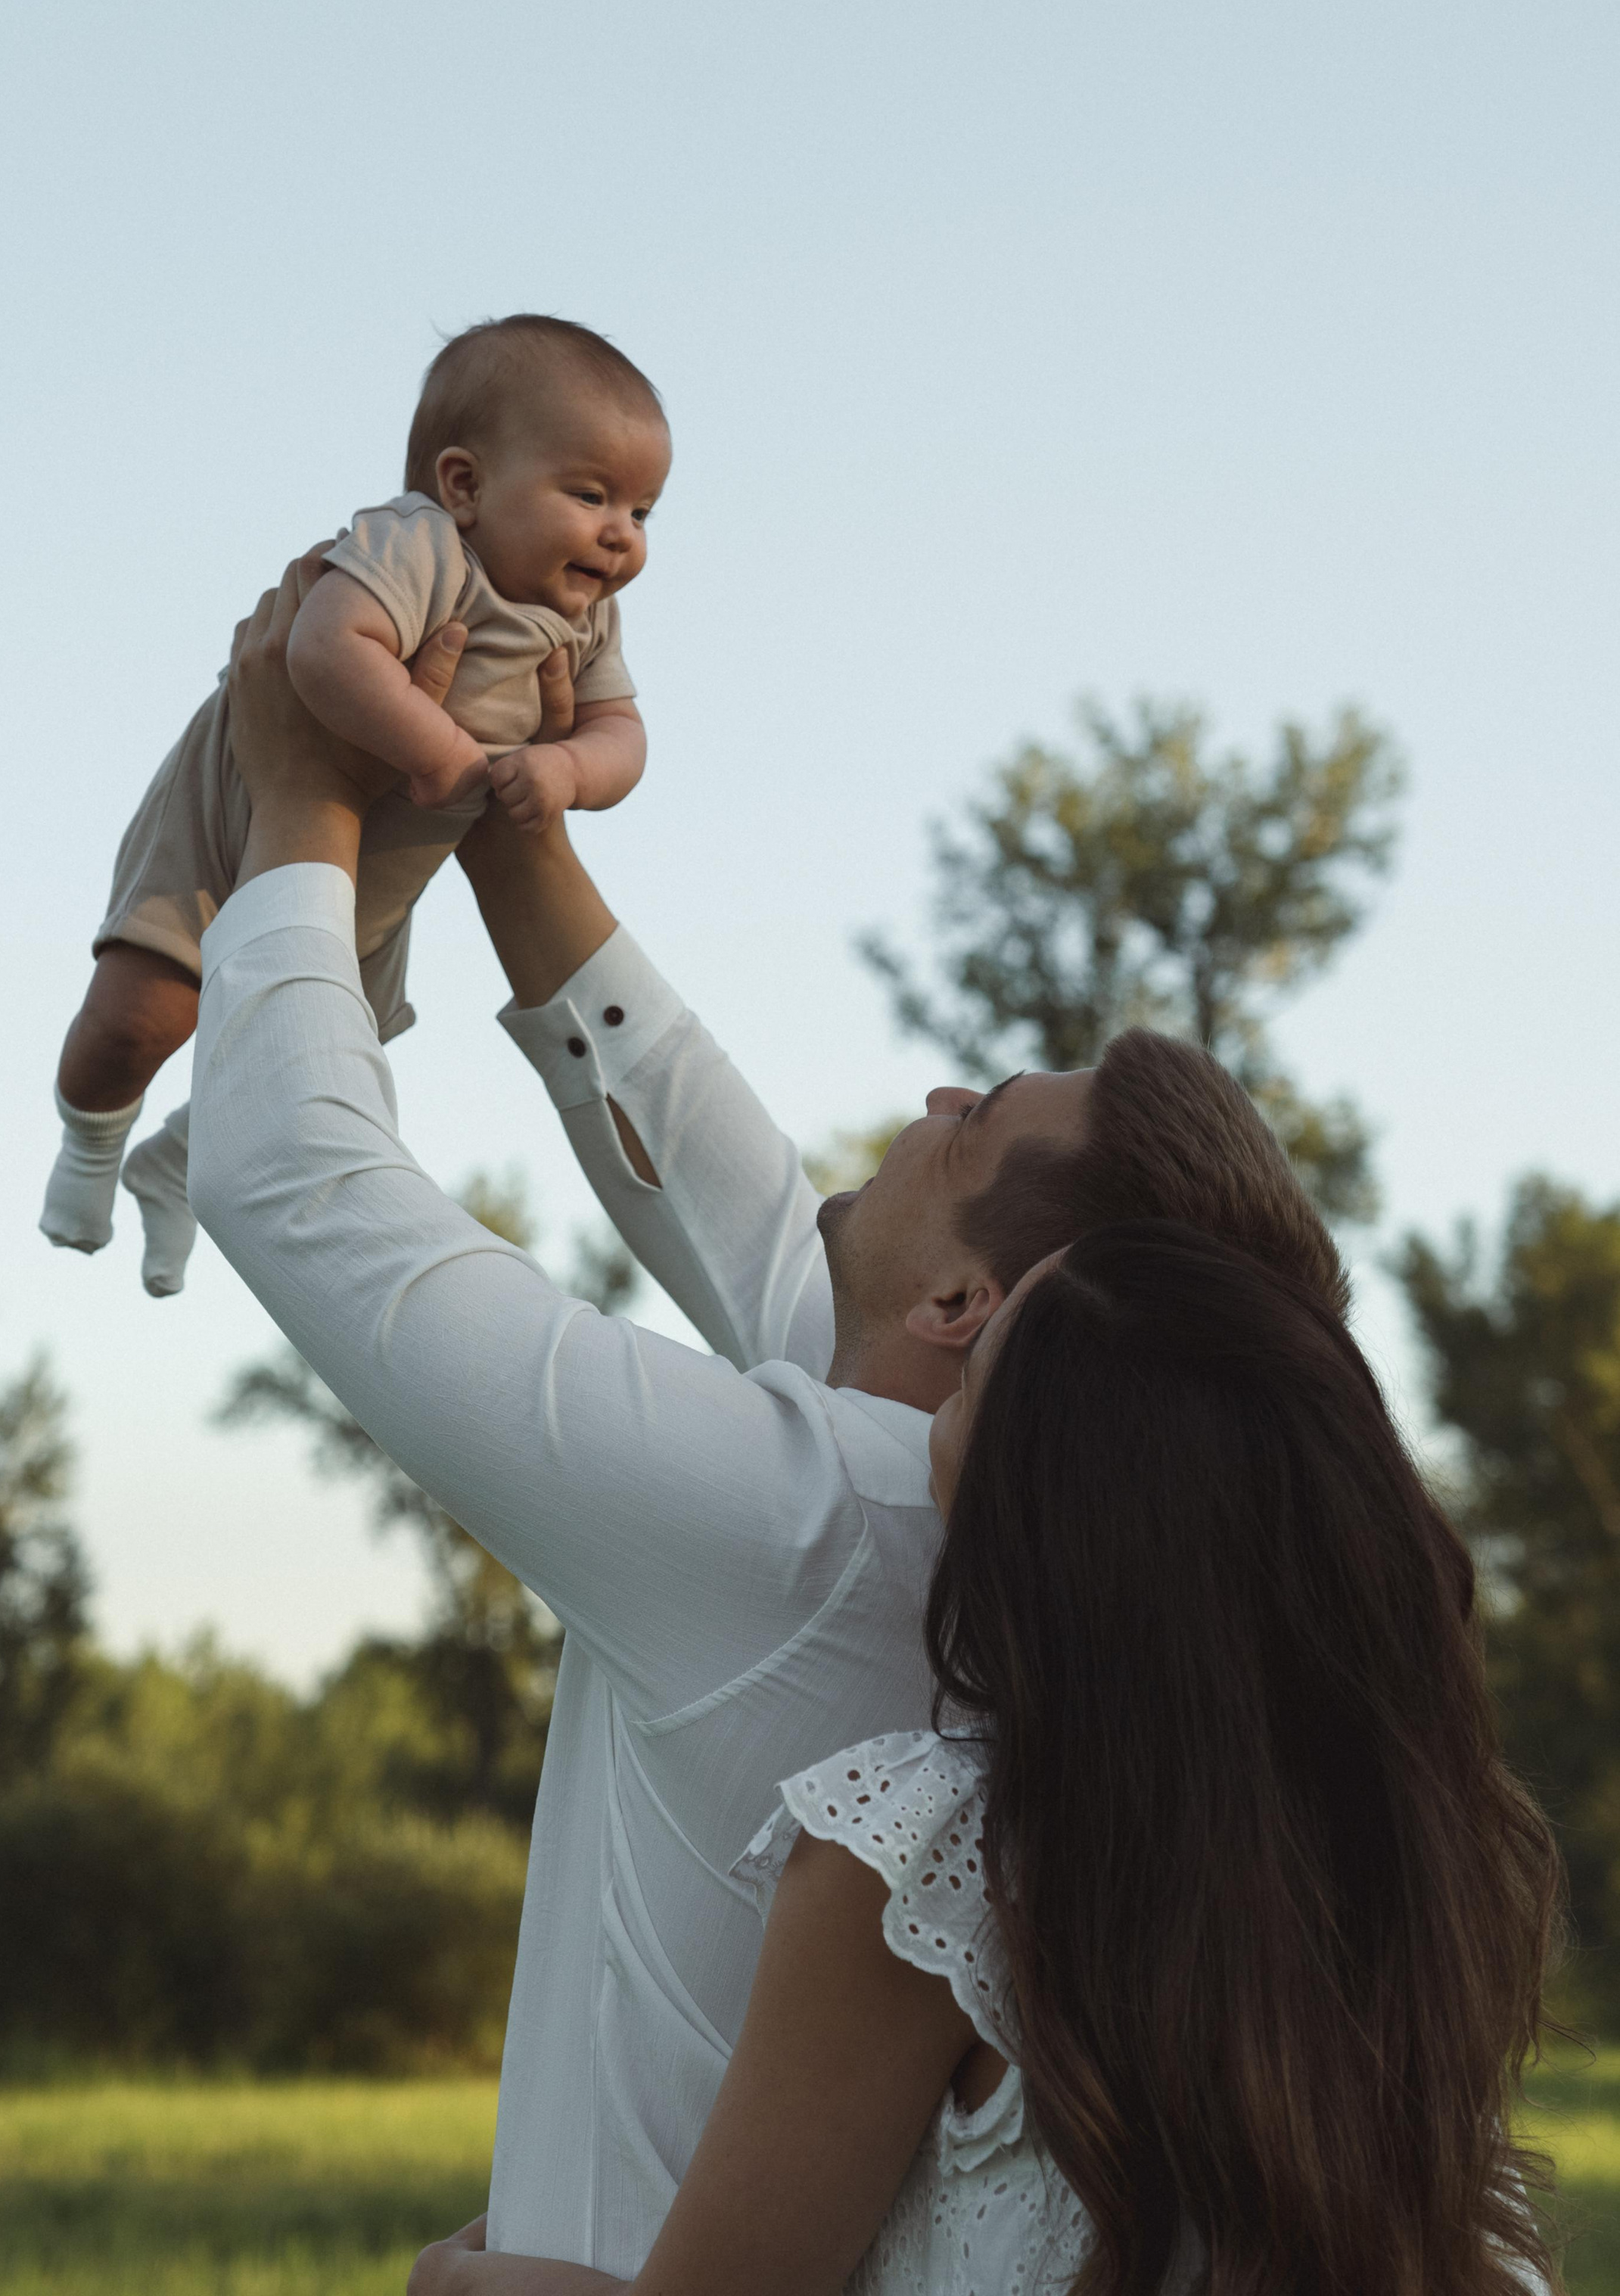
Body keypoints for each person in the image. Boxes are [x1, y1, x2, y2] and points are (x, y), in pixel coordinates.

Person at [186, 555, 1356, 2279]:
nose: (939, 1090)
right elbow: (732, 1192)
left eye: (972, 1125)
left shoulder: (803, 1521)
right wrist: (516, 823)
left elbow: (298, 1183)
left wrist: (293, 802)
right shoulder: (979, 1497)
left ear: (971, 1314)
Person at [408, 1221, 1562, 2296]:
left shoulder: (934, 1855)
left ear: (1044, 1511)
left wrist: (462, 2284)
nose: (933, 1405)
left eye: (967, 1383)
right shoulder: (1415, 1862)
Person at [39, 314, 666, 1293]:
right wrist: (454, 755)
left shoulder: (586, 621)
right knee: (144, 1014)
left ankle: (177, 1165)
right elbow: (329, 649)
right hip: (245, 809)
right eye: (590, 495)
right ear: (464, 485)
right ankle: (91, 1144)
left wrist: (569, 771)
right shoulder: (420, 546)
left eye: (643, 510)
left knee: (306, 1069)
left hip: (376, 872)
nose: (620, 533)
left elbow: (622, 734)